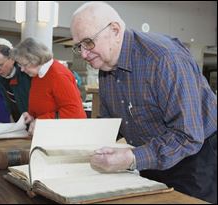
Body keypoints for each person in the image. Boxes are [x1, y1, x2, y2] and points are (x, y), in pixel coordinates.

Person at [70, 2, 217, 203]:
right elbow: (110, 123)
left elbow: (188, 136)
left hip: (194, 159)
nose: (84, 54)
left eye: (88, 42)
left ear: (115, 30)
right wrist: (68, 140)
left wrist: (132, 158)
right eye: (79, 46)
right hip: (151, 157)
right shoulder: (106, 67)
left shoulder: (164, 59)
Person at [10, 38, 87, 134]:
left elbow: (74, 112)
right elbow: (44, 106)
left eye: (24, 65)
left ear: (35, 59)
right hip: (51, 132)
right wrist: (31, 116)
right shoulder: (37, 75)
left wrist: (41, 120)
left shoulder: (58, 75)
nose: (22, 69)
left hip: (69, 133)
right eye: (20, 65)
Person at [0, 38, 31, 122]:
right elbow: (9, 104)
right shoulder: (0, 78)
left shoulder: (26, 74)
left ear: (12, 59)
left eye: (0, 65)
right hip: (19, 123)